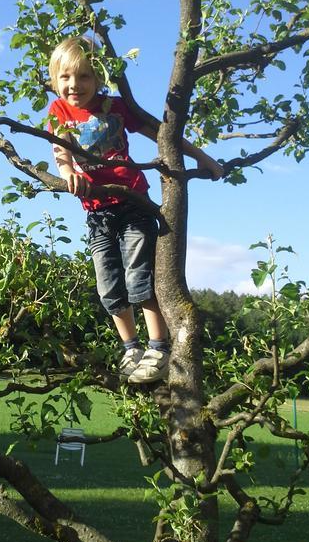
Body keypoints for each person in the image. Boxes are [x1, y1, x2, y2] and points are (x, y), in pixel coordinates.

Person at [47, 37, 223, 383]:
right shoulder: (59, 112)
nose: (74, 85)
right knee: (108, 286)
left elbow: (162, 136)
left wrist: (202, 157)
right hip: (97, 210)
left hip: (132, 203)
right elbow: (61, 149)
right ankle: (132, 348)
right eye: (66, 77)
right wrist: (68, 172)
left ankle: (158, 347)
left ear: (99, 77)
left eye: (84, 77)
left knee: (138, 275)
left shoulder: (116, 107)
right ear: (55, 78)